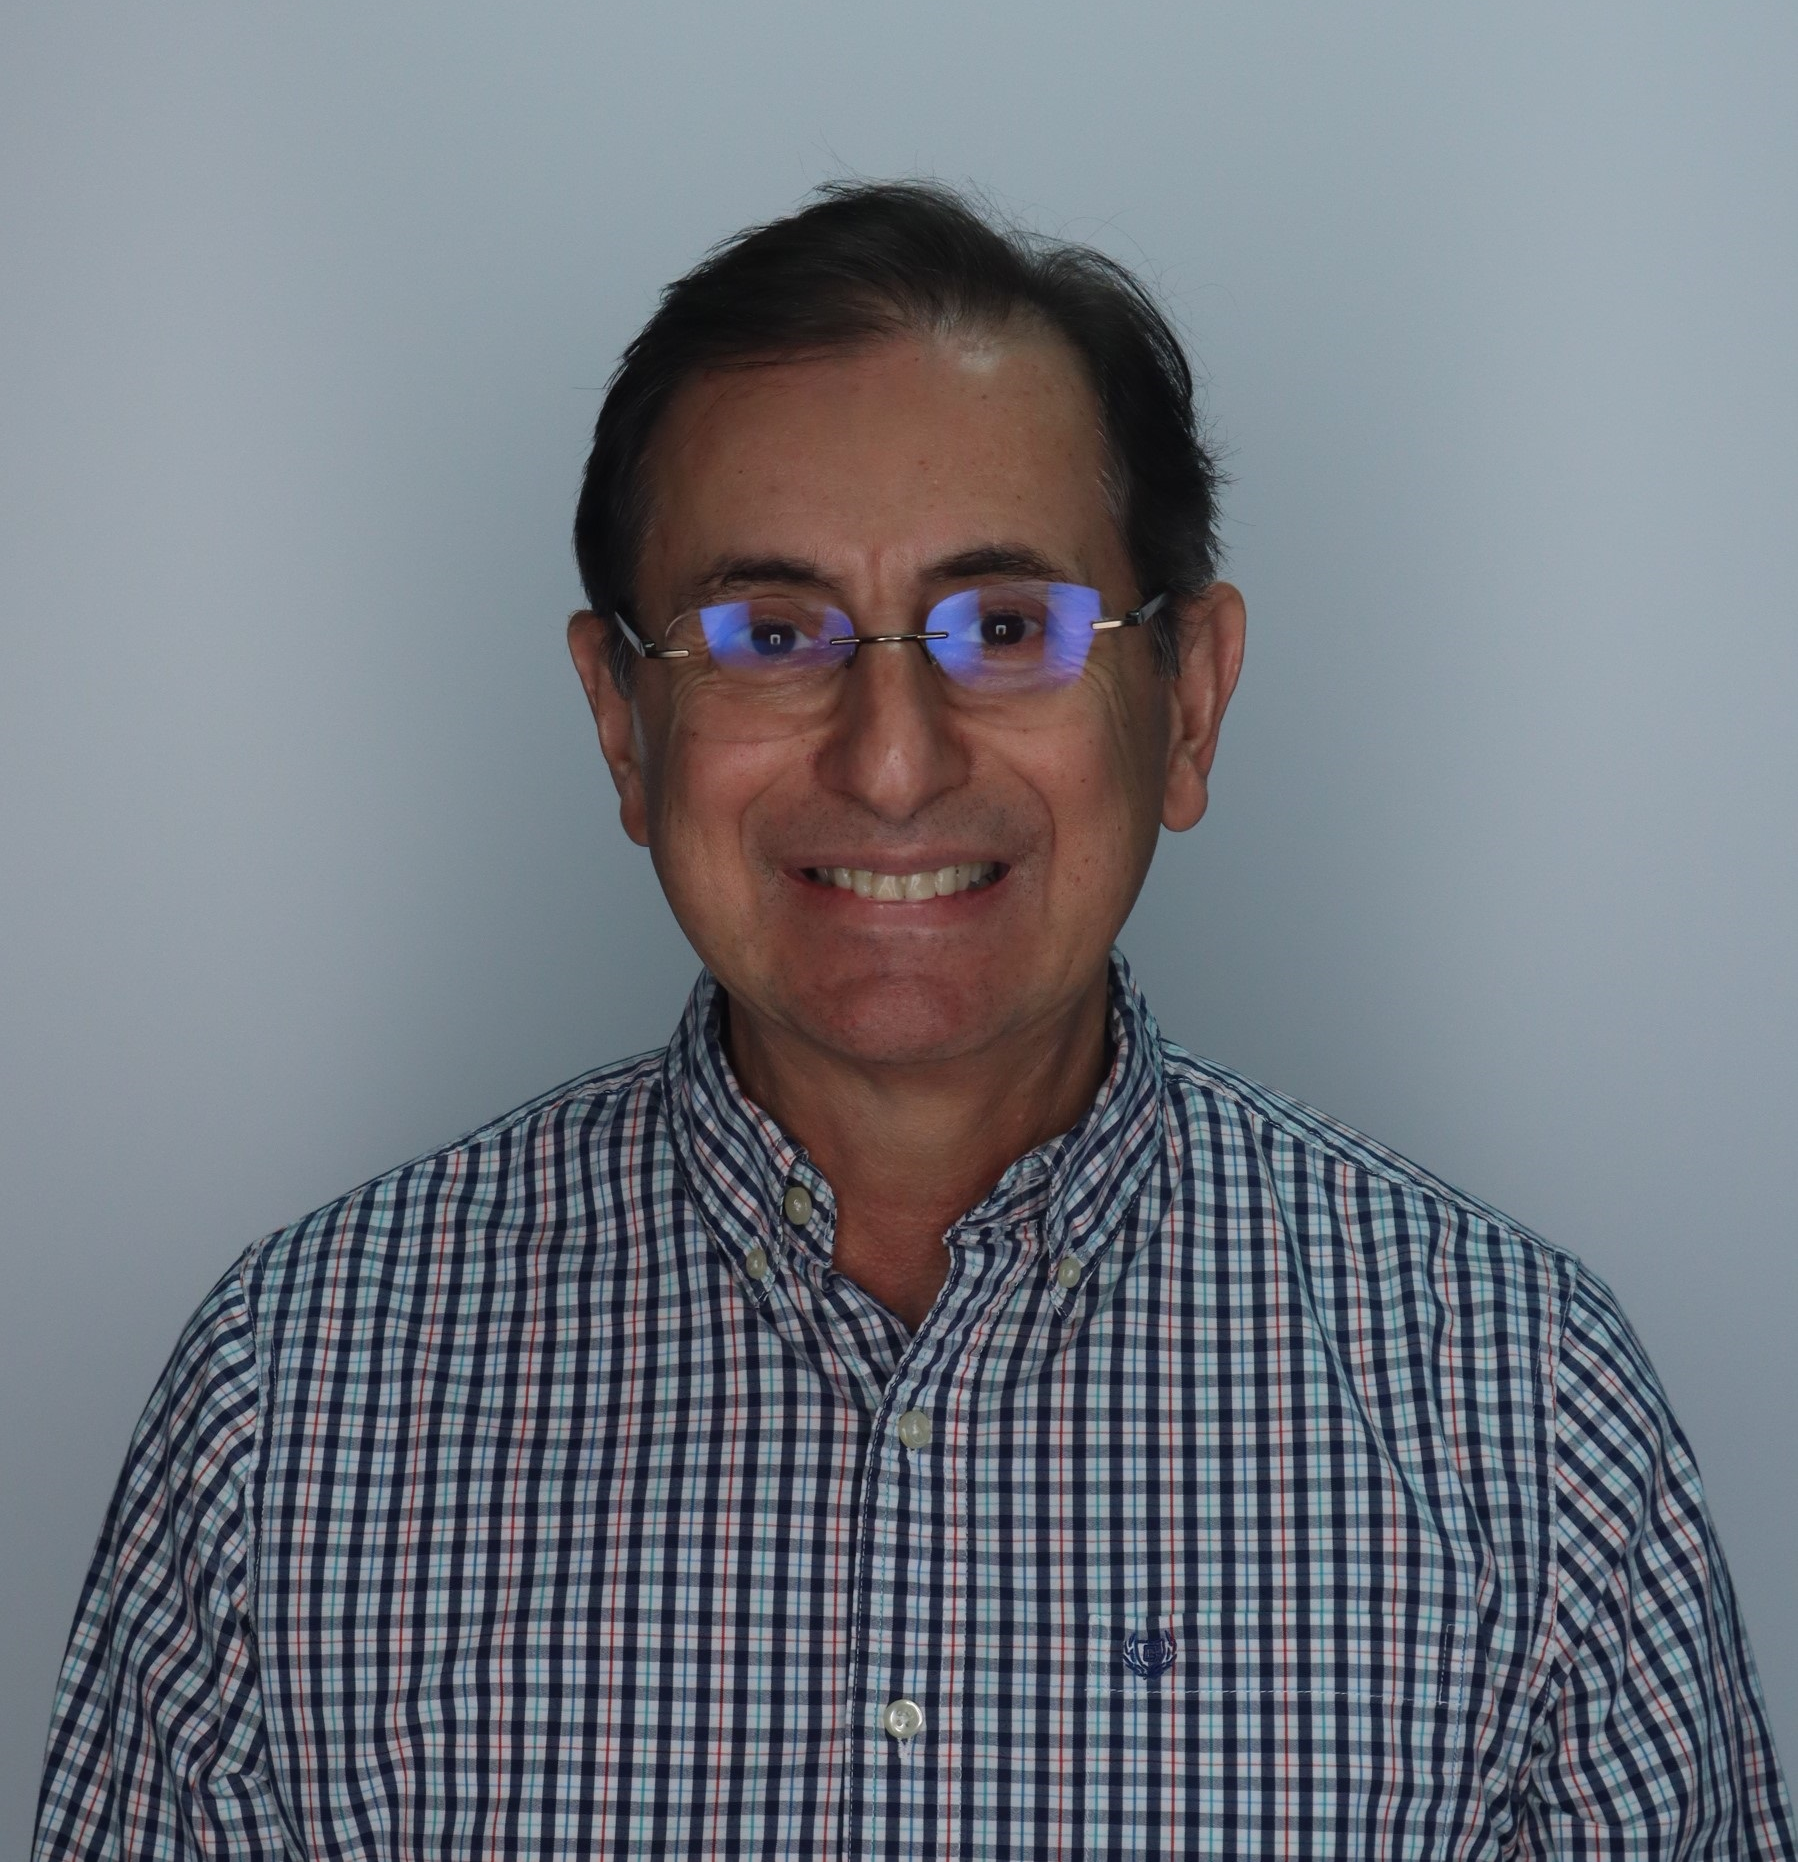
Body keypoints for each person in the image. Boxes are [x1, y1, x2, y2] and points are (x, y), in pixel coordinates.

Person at [35, 181, 1792, 1861]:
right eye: (769, 629)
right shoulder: (289, 1404)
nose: (890, 760)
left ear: (1187, 701)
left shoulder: (1522, 1410)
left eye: (1005, 624)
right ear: (620, 720)